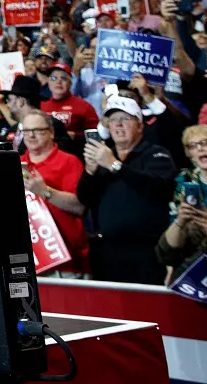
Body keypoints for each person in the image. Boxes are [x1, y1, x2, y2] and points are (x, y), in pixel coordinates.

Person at [77, 93, 177, 284]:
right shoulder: (104, 156)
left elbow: (157, 188)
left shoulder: (156, 154)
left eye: (125, 119)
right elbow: (85, 199)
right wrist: (90, 171)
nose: (118, 124)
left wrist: (115, 165)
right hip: (107, 250)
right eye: (113, 120)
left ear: (140, 126)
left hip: (146, 250)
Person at [19, 111, 89, 276]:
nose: (31, 135)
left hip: (67, 263)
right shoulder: (14, 163)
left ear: (51, 132)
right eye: (26, 131)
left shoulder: (69, 162)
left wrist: (44, 191)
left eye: (38, 130)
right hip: (31, 261)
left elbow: (79, 206)